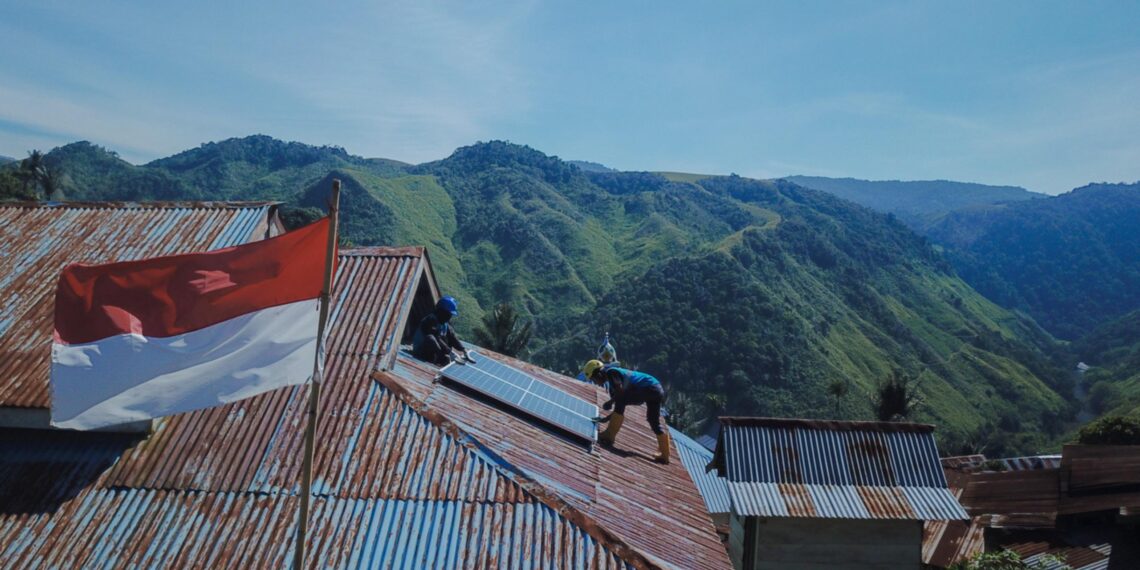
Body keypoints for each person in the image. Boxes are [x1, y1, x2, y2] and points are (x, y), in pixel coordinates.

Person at [583, 359, 671, 464]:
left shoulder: (611, 372)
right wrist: (605, 419)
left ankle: (609, 436)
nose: (595, 382)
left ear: (598, 373)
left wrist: (610, 402)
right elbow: (619, 406)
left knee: (620, 400)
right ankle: (665, 455)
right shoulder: (613, 378)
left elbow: (620, 394)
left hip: (648, 388)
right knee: (653, 421)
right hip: (656, 389)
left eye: (593, 379)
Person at [413, 296, 471, 366]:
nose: (449, 317)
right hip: (420, 351)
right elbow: (436, 338)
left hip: (434, 351)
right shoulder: (430, 320)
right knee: (430, 338)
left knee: (447, 337)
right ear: (441, 311)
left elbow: (452, 337)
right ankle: (439, 358)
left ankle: (441, 358)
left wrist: (463, 350)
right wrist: (449, 352)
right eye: (448, 314)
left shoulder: (444, 323)